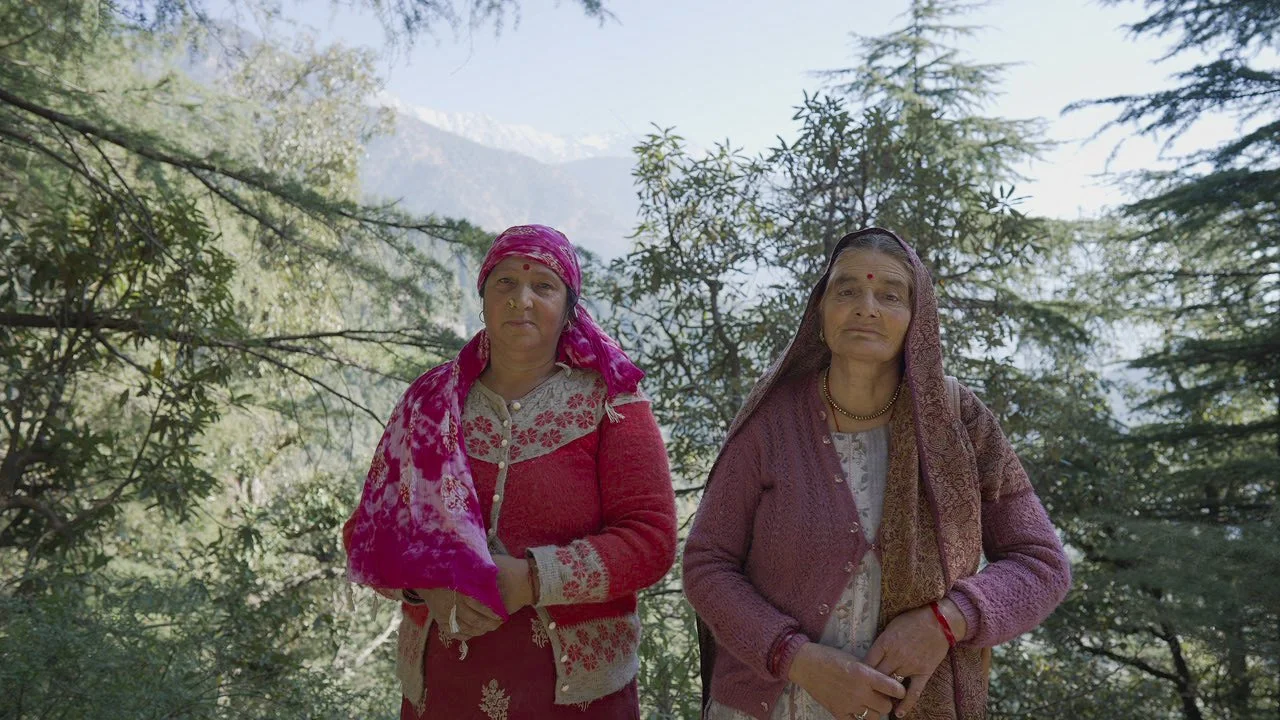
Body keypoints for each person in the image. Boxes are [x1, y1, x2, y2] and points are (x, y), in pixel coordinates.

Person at [683, 227, 1072, 720]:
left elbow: (1041, 564)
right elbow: (707, 565)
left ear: (917, 317)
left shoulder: (958, 423)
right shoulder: (772, 422)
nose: (867, 306)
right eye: (847, 290)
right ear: (820, 311)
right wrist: (797, 659)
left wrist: (945, 622)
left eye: (889, 295)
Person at [343, 224, 678, 719]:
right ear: (482, 298)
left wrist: (532, 580)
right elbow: (367, 536)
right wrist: (425, 584)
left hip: (579, 699)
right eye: (505, 283)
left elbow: (650, 541)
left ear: (569, 307)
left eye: (544, 286)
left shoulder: (612, 403)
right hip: (443, 691)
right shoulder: (430, 405)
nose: (522, 299)